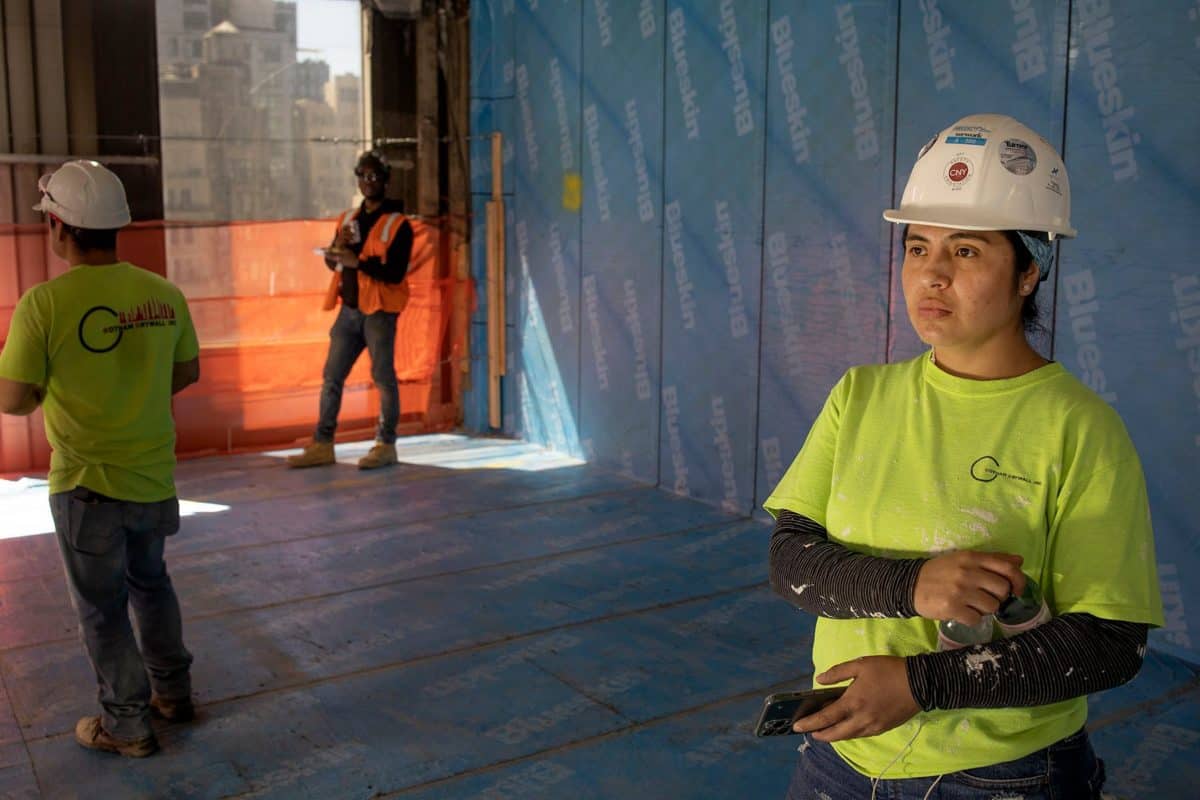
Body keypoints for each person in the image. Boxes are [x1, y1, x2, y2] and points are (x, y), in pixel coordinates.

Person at [765, 114, 1163, 799]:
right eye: (918, 248)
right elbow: (790, 559)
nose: (932, 275)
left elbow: (1110, 643)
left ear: (1029, 271)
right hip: (841, 754)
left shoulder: (1078, 428)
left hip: (1001, 774)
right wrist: (911, 587)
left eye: (968, 252)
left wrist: (922, 686)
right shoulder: (860, 396)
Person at [0, 160, 200, 757]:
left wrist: (47, 390)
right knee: (152, 585)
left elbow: (12, 400)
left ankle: (128, 726)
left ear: (59, 226)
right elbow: (185, 371)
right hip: (153, 480)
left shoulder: (44, 305)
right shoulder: (162, 294)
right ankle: (175, 695)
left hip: (86, 487)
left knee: (101, 608)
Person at [287, 150, 414, 470]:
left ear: (385, 180)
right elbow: (334, 262)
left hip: (380, 312)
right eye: (362, 175)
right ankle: (323, 444)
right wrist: (338, 250)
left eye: (374, 176)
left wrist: (358, 262)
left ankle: (386, 444)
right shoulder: (347, 220)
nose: (368, 182)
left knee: (383, 377)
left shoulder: (399, 224)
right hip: (350, 310)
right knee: (332, 376)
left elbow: (396, 273)